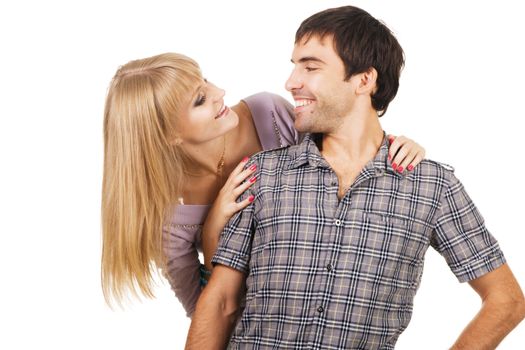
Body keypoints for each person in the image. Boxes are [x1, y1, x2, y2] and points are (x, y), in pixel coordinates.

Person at [186, 6, 525, 349]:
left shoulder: (432, 187)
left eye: (311, 67)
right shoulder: (262, 174)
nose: (291, 83)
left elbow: (506, 300)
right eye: (294, 66)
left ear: (364, 80)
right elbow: (221, 303)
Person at [100, 53, 425, 316]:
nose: (220, 93)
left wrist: (393, 147)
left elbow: (344, 159)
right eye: (200, 100)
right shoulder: (170, 220)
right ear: (169, 135)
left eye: (206, 82)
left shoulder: (269, 113)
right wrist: (213, 232)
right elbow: (206, 313)